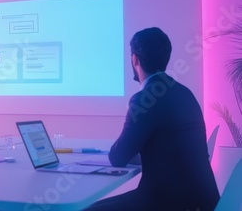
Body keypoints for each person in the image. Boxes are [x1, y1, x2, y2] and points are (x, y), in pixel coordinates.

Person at [85, 27, 220, 211]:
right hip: (202, 201)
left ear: (134, 59)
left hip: (165, 203)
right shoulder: (184, 93)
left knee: (87, 208)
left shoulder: (144, 99)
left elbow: (118, 157)